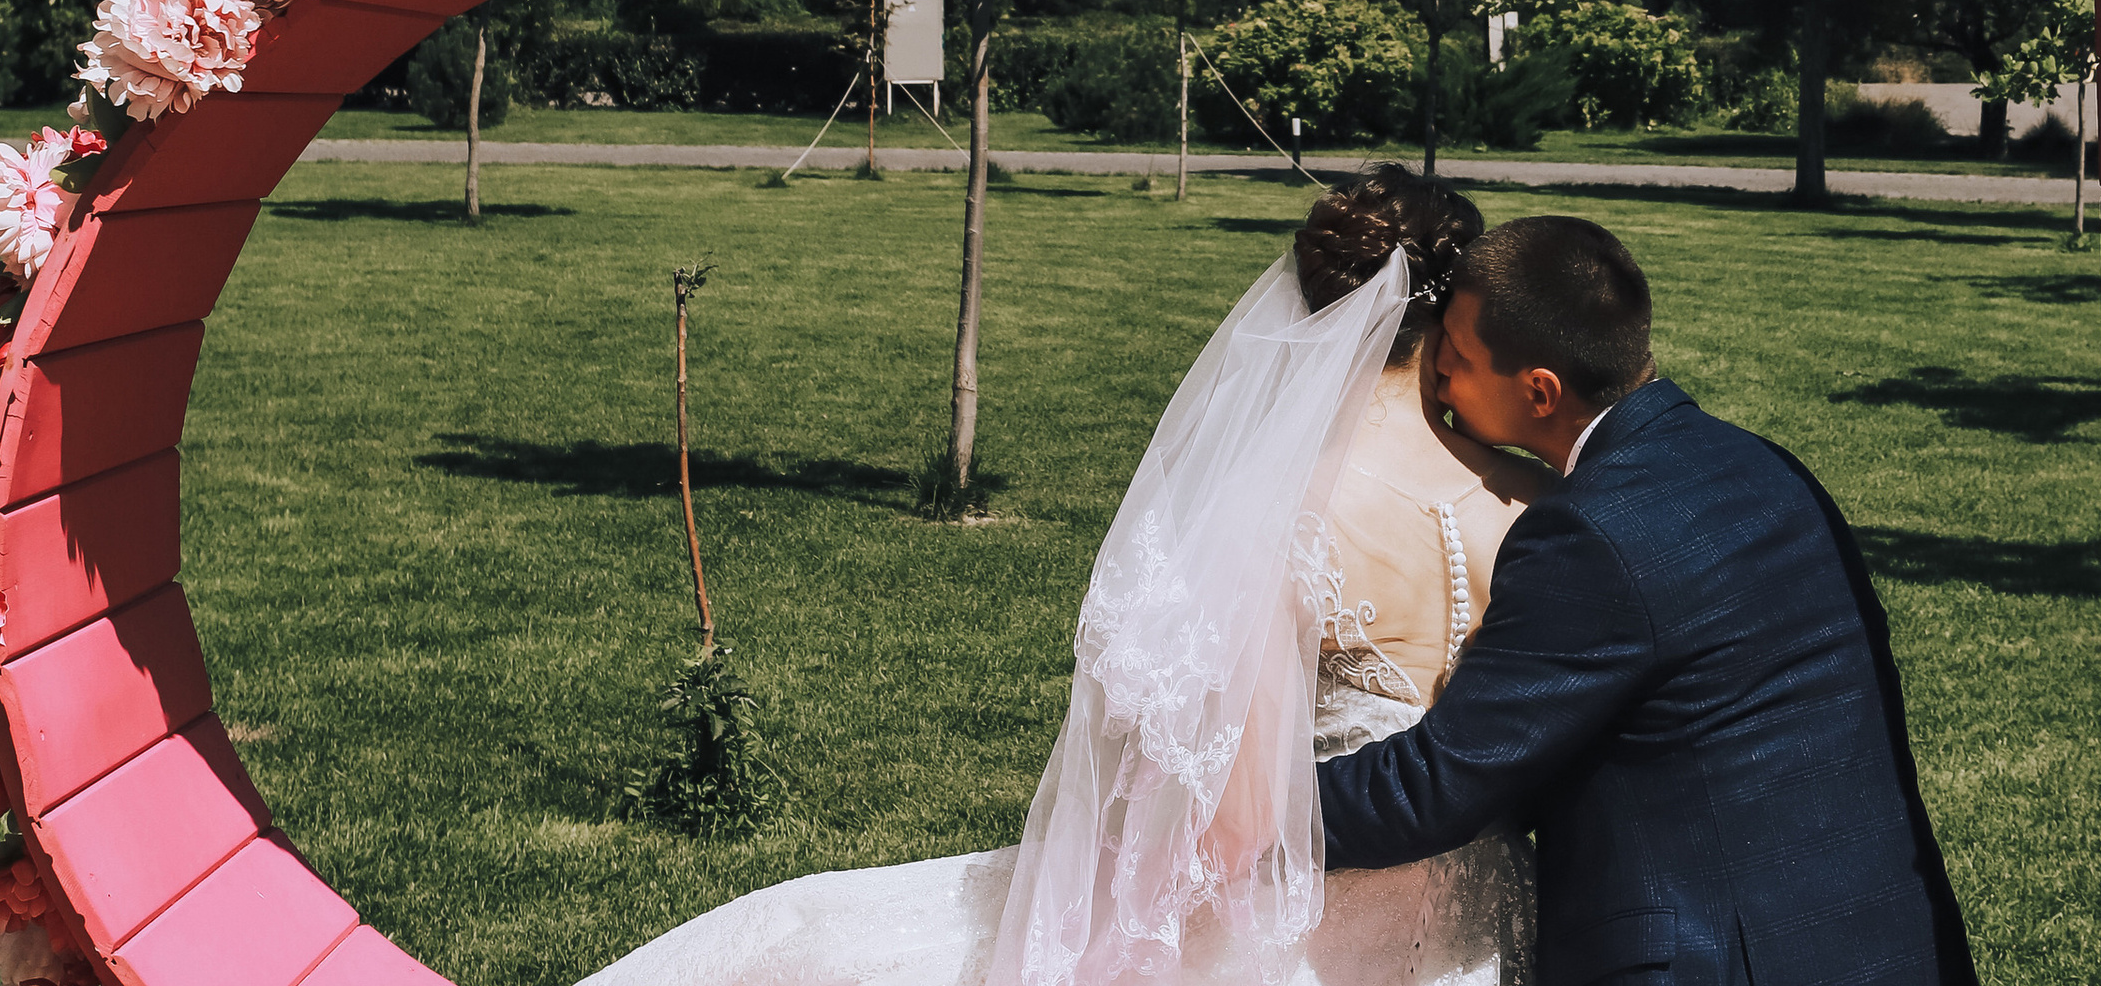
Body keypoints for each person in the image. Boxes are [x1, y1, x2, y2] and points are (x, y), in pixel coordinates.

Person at [585, 166, 1542, 986]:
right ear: (1460, 317)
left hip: (1310, 914)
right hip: (1489, 914)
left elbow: (1242, 816)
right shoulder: (1535, 500)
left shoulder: (1279, 505)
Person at [1318, 216, 1976, 986]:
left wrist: (1249, 813)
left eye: (1456, 359)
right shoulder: (1768, 469)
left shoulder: (1589, 532)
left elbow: (1439, 784)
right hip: (1884, 936)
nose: (1439, 380)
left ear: (1540, 390)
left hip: (1718, 960)